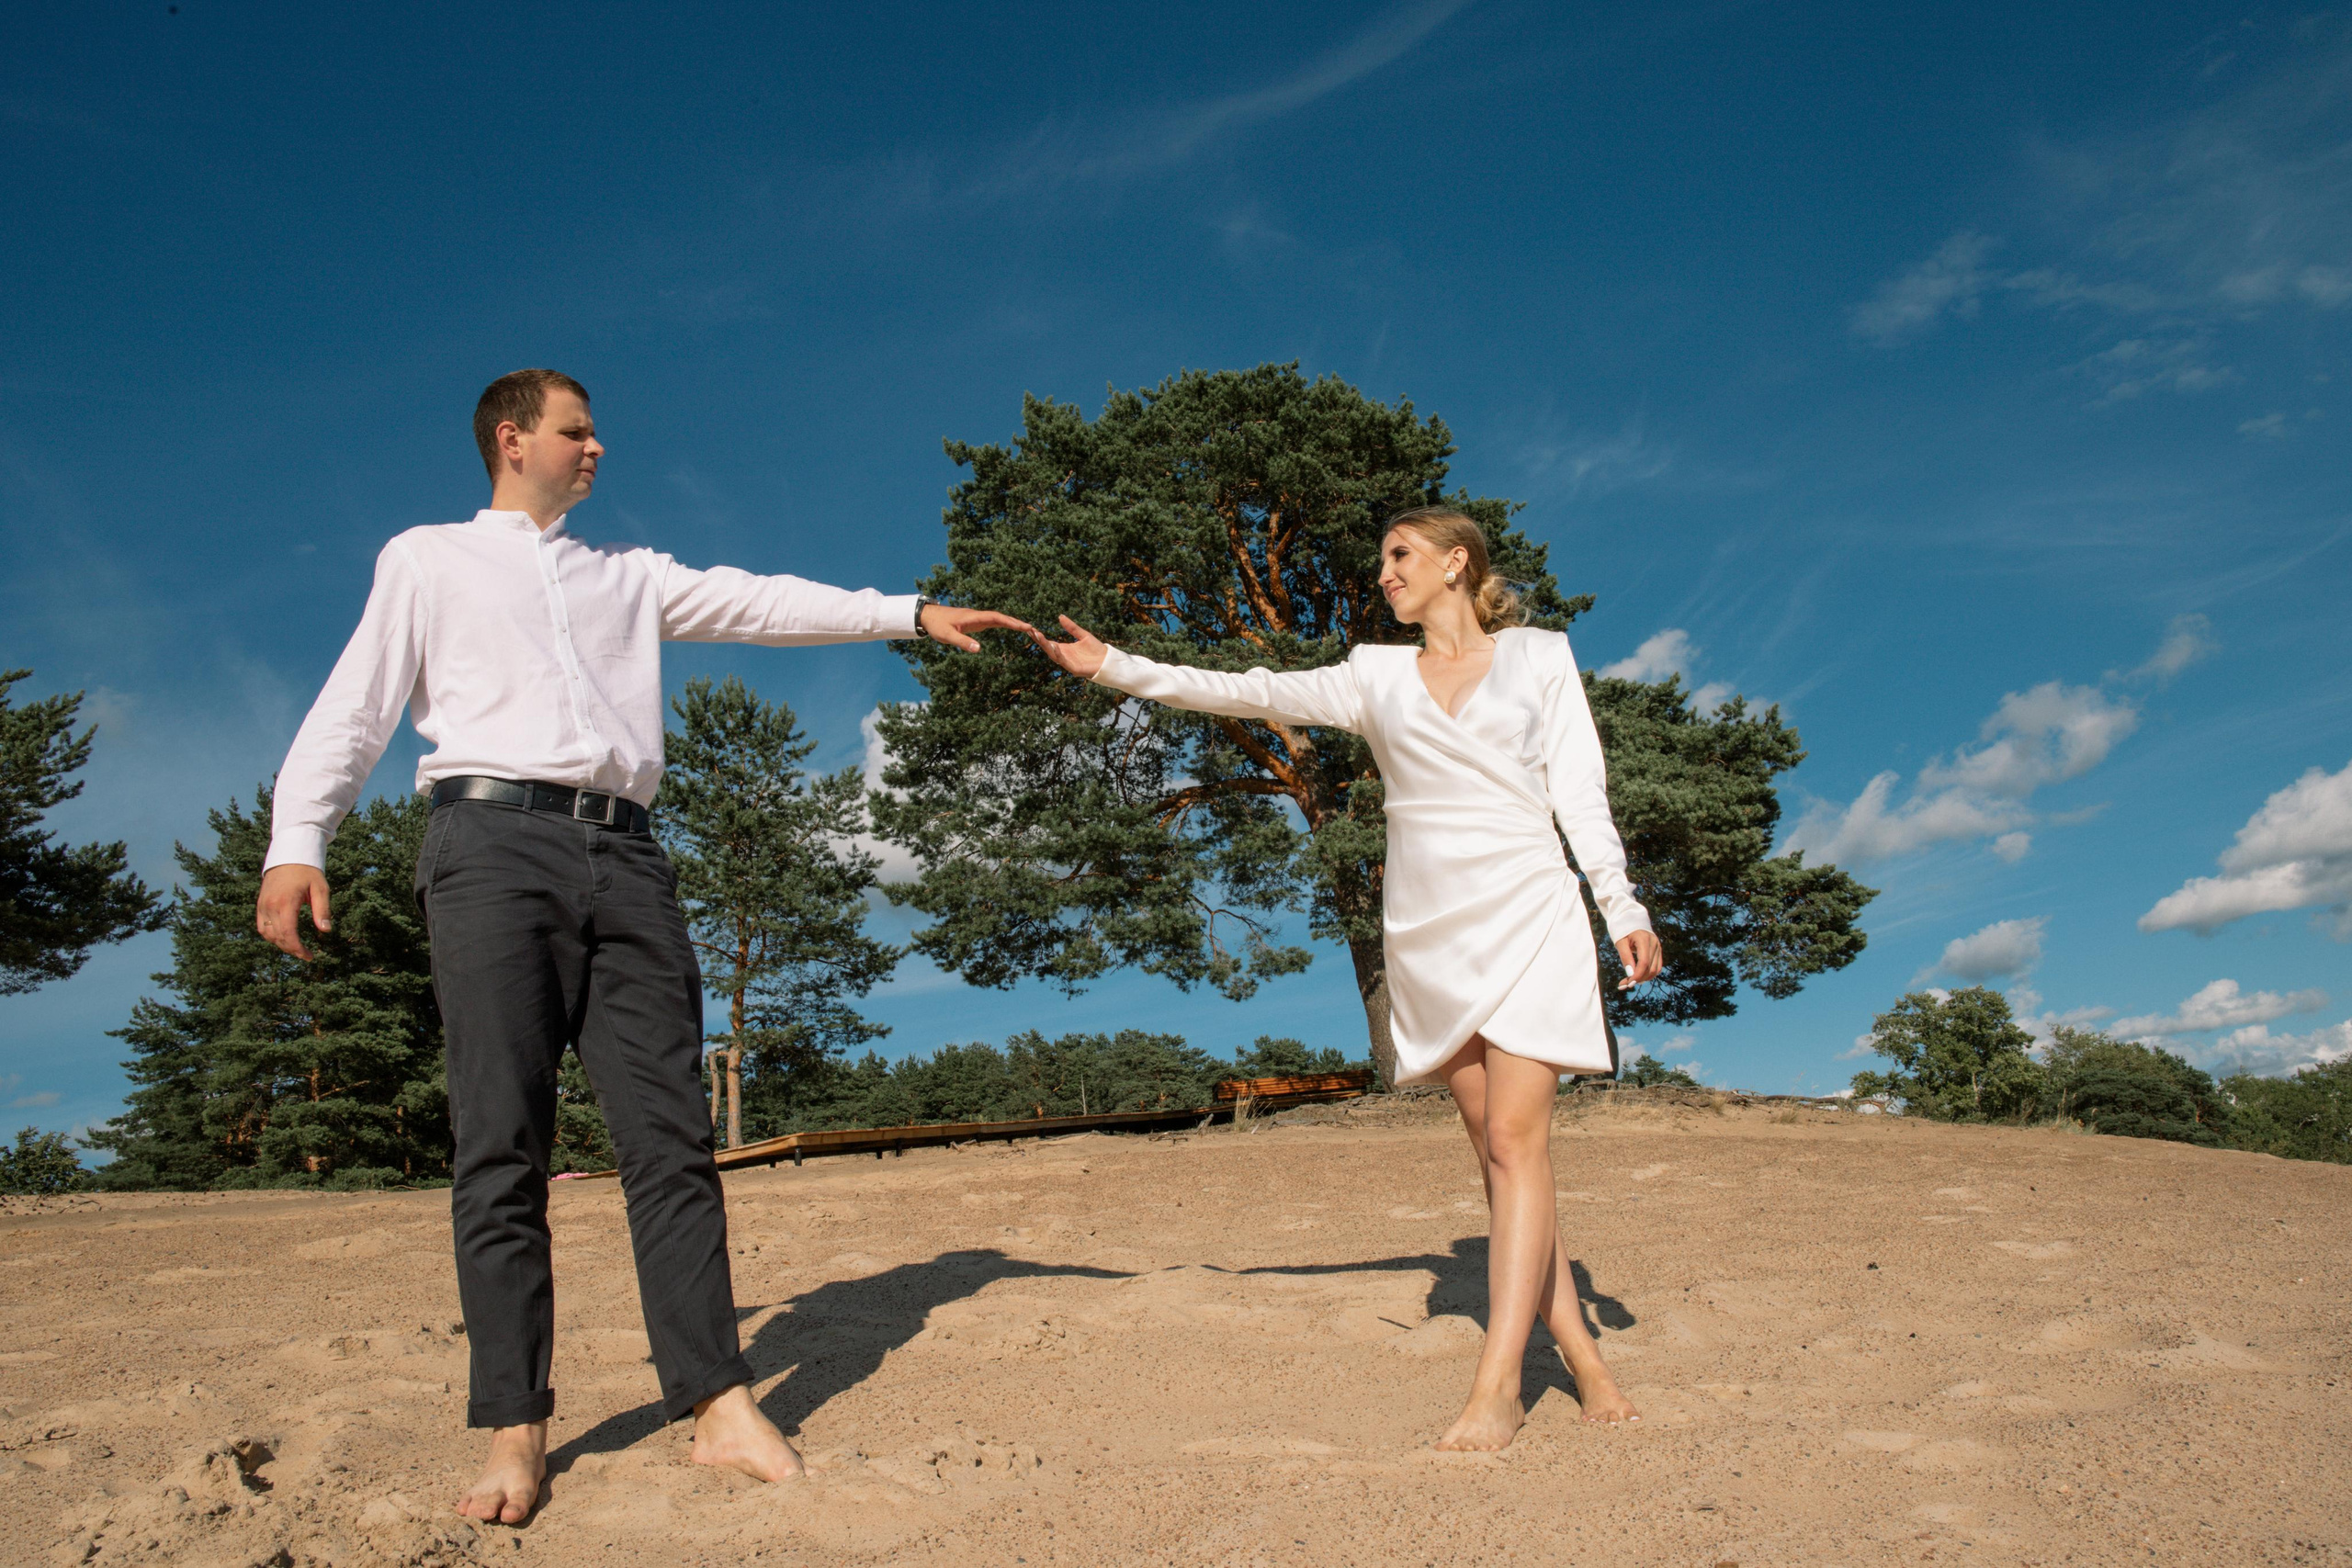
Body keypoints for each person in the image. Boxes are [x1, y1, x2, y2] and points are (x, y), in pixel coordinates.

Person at [253, 368, 1029, 1523]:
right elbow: (357, 703)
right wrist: (296, 838)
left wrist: (906, 613)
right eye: (579, 431)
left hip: (628, 860)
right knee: (499, 1143)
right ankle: (514, 1430)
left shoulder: (626, 577)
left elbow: (760, 602)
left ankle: (715, 1404)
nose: (598, 447)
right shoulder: (426, 560)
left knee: (670, 1139)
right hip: (486, 846)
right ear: (513, 441)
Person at [1028, 506, 1664, 1451]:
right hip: (1431, 928)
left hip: (1529, 903)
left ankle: (1499, 1384)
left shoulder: (1539, 656)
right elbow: (1249, 688)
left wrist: (1622, 905)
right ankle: (1579, 1348)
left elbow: (1580, 786)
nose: (1382, 574)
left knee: (1518, 1136)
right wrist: (1118, 666)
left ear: (1457, 563)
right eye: (1378, 562)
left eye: (1398, 556)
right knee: (1498, 1152)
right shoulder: (1373, 677)